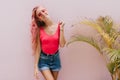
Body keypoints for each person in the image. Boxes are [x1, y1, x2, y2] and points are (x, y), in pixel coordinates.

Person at [31, 6, 66, 80]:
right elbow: (38, 49)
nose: (43, 14)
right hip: (44, 60)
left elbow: (62, 45)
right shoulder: (40, 30)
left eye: (43, 11)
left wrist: (62, 29)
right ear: (39, 19)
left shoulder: (59, 26)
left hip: (56, 59)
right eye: (40, 14)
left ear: (46, 11)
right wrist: (35, 67)